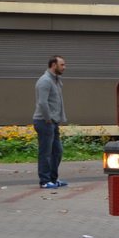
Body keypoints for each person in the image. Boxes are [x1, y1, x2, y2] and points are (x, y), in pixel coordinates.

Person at [33, 55, 68, 189]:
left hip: (53, 122)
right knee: (45, 153)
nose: (64, 67)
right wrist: (48, 118)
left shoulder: (56, 80)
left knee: (57, 151)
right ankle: (44, 181)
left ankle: (53, 179)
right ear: (54, 65)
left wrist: (57, 119)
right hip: (44, 121)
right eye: (62, 65)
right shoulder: (45, 81)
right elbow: (42, 102)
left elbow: (56, 102)